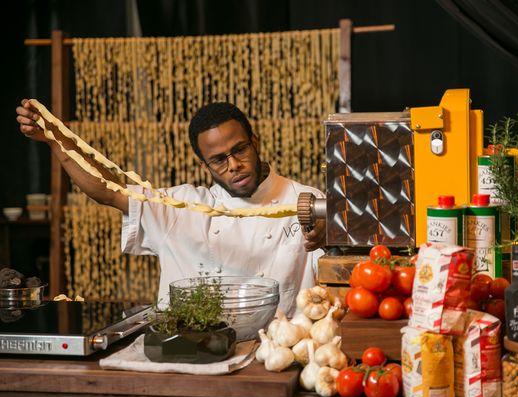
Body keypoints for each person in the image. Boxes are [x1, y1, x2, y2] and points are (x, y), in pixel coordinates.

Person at [16, 100, 325, 313]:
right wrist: (55, 140)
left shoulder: (306, 200)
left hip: (276, 357)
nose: (234, 165)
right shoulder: (182, 207)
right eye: (219, 159)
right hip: (191, 355)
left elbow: (346, 271)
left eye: (240, 150)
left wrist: (332, 239)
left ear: (254, 142)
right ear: (205, 166)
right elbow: (106, 190)